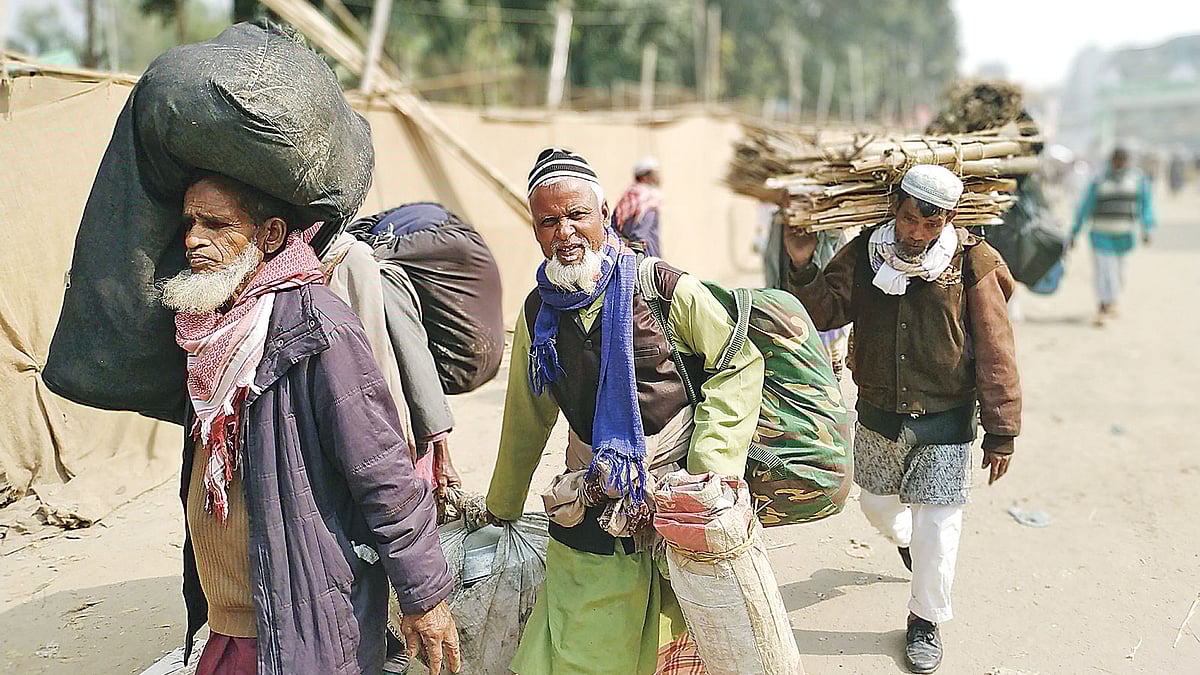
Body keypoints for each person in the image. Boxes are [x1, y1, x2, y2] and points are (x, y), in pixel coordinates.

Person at [161, 172, 461, 675]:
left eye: (216, 224)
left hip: (297, 624)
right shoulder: (207, 329)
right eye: (190, 222)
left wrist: (424, 596)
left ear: (271, 235)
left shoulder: (316, 325)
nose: (193, 239)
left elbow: (381, 469)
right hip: (229, 624)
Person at [486, 148, 764, 674]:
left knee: (674, 644)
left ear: (605, 212)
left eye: (577, 215)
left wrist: (711, 472)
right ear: (536, 232)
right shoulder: (537, 313)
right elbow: (527, 415)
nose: (565, 232)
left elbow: (738, 360)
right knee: (579, 646)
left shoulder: (661, 287)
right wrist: (502, 506)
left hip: (680, 501)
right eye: (549, 221)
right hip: (591, 498)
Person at [782, 164, 1022, 674]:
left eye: (930, 225)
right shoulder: (868, 253)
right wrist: (802, 264)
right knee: (877, 507)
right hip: (878, 414)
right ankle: (907, 544)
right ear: (896, 207)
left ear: (948, 220)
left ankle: (925, 619)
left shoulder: (972, 261)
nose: (916, 234)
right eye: (910, 220)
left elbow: (997, 347)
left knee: (940, 520)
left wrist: (1001, 431)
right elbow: (820, 313)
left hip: (947, 418)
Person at [1069, 147, 1155, 325]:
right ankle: (1104, 304)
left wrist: (1147, 228)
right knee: (1104, 272)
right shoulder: (1099, 180)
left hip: (1124, 236)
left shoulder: (1137, 180)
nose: (1119, 165)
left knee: (1119, 274)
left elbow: (1145, 205)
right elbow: (1085, 207)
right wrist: (1074, 232)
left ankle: (1112, 301)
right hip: (1100, 235)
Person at [611, 155, 664, 257]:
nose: (659, 177)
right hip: (646, 258)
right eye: (655, 173)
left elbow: (614, 229)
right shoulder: (649, 199)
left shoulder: (626, 198)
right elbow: (640, 236)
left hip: (622, 255)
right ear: (644, 177)